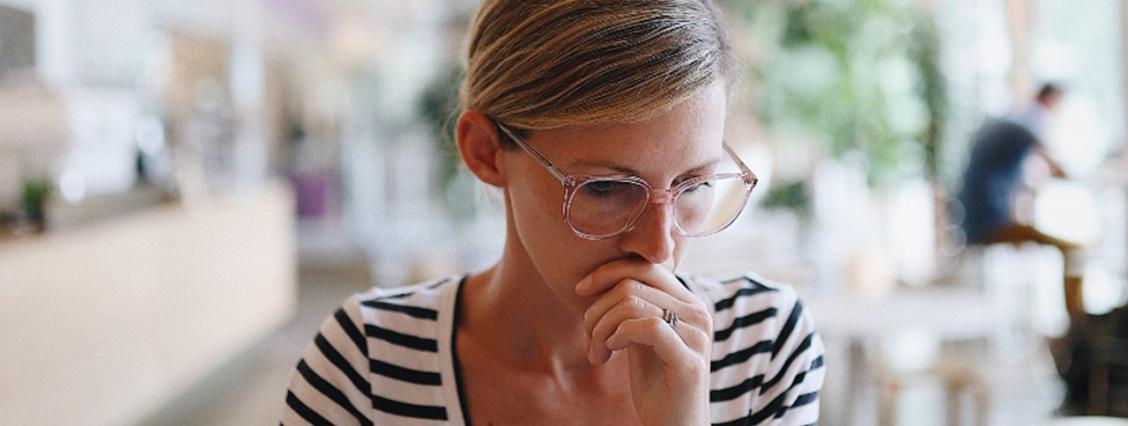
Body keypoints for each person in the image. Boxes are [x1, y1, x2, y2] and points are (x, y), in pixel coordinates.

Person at [282, 1, 825, 425]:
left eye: (694, 184)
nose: (660, 247)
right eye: (607, 187)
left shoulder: (763, 347)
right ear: (486, 152)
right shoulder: (368, 367)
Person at [957, 83, 1086, 318]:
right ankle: (1078, 326)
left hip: (976, 218)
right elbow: (1055, 165)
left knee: (1053, 239)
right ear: (1050, 100)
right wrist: (1084, 178)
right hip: (989, 223)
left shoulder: (1011, 120)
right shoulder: (1032, 120)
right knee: (1074, 250)